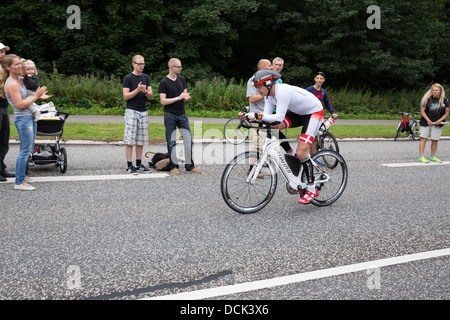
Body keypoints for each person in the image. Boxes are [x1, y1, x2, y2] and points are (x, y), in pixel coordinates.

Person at [240, 69, 324, 204]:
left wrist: (256, 115)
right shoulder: (269, 96)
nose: (257, 91)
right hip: (299, 113)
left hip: (313, 113)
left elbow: (278, 116)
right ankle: (291, 156)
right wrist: (250, 119)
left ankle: (312, 189)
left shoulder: (282, 91)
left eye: (258, 87)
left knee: (302, 152)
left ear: (267, 83)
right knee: (273, 126)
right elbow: (267, 118)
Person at [1, 54, 50, 190]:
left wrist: (39, 95)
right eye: (16, 64)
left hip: (29, 117)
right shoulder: (11, 84)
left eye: (19, 63)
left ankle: (21, 175)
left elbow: (28, 96)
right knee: (25, 151)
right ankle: (19, 182)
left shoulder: (21, 80)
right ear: (8, 67)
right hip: (23, 119)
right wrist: (36, 96)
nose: (20, 66)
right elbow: (20, 104)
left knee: (28, 149)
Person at [158, 58, 201, 175]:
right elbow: (163, 101)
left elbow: (184, 93)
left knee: (189, 140)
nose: (181, 68)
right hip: (170, 115)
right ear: (172, 67)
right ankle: (173, 166)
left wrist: (185, 96)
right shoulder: (164, 82)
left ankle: (189, 166)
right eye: (179, 67)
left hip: (182, 114)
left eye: (181, 66)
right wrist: (178, 97)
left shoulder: (182, 79)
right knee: (171, 142)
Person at [122, 55, 153, 174]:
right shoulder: (128, 78)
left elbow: (150, 94)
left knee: (141, 140)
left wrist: (144, 91)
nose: (141, 66)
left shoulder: (146, 77)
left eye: (143, 64)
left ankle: (139, 164)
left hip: (143, 111)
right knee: (130, 139)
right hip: (132, 111)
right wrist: (137, 89)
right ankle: (129, 165)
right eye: (139, 64)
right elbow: (126, 96)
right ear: (133, 64)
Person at [246, 59, 272, 178]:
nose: (271, 68)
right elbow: (251, 98)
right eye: (269, 66)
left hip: (268, 116)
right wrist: (265, 94)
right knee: (257, 143)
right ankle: (252, 169)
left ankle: (263, 166)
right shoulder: (253, 80)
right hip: (258, 116)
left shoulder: (268, 80)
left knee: (268, 143)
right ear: (262, 67)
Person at [306, 72, 338, 155]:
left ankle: (317, 147)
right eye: (318, 78)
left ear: (323, 80)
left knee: (320, 132)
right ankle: (314, 154)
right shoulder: (309, 90)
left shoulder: (323, 91)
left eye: (321, 79)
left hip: (319, 115)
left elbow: (327, 103)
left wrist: (333, 113)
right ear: (315, 79)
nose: (319, 80)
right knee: (314, 136)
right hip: (310, 115)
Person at [418, 83, 449, 163]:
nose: (435, 92)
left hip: (437, 123)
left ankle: (433, 156)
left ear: (440, 91)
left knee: (435, 140)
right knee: (424, 138)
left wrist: (440, 120)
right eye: (433, 90)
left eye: (436, 90)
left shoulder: (445, 100)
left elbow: (446, 113)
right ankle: (421, 156)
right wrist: (428, 120)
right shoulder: (427, 99)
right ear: (431, 91)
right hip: (426, 122)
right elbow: (422, 111)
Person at [0, 42, 15, 181]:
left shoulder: (4, 67)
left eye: (4, 52)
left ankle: (1, 168)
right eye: (1, 52)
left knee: (4, 140)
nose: (3, 54)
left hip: (4, 106)